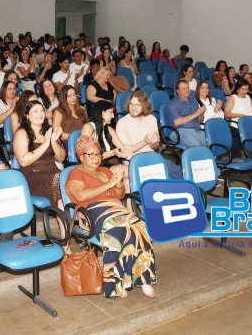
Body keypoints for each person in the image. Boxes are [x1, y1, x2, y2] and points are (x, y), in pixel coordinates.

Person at [65, 135, 156, 299]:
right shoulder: (76, 173)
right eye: (90, 154)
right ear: (81, 156)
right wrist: (109, 183)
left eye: (98, 154)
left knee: (140, 226)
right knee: (117, 229)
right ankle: (116, 283)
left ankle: (144, 278)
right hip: (93, 211)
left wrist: (118, 184)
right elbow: (81, 195)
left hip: (116, 208)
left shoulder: (106, 171)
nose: (96, 158)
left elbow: (120, 195)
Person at [116, 90, 182, 179]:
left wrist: (153, 142)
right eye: (131, 104)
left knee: (177, 171)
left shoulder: (151, 119)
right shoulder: (122, 123)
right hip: (135, 160)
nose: (133, 108)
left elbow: (155, 147)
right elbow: (126, 151)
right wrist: (145, 141)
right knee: (164, 175)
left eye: (137, 105)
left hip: (152, 156)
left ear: (144, 106)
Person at [13, 101, 66, 205]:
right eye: (35, 111)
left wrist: (53, 141)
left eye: (42, 110)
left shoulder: (49, 131)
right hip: (32, 174)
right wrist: (45, 144)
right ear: (27, 116)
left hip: (53, 171)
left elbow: (61, 158)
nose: (40, 114)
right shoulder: (21, 133)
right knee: (58, 178)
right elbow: (23, 161)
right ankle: (64, 215)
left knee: (70, 176)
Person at [81, 100, 131, 166]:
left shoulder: (109, 129)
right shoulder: (88, 127)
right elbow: (88, 156)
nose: (113, 116)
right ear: (102, 113)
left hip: (109, 164)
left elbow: (122, 149)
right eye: (111, 112)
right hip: (95, 165)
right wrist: (113, 153)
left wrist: (127, 153)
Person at [167, 80, 207, 148]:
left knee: (209, 147)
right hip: (180, 131)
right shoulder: (173, 104)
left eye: (188, 87)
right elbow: (177, 122)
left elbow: (201, 120)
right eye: (184, 89)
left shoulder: (193, 100)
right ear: (178, 91)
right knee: (199, 148)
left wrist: (201, 113)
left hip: (197, 131)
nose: (187, 90)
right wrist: (195, 114)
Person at [224, 79, 252, 157]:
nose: (245, 91)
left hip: (248, 126)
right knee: (236, 151)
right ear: (237, 89)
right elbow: (226, 114)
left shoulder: (248, 97)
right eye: (243, 89)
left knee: (251, 145)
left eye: (246, 90)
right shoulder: (233, 98)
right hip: (236, 127)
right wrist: (240, 115)